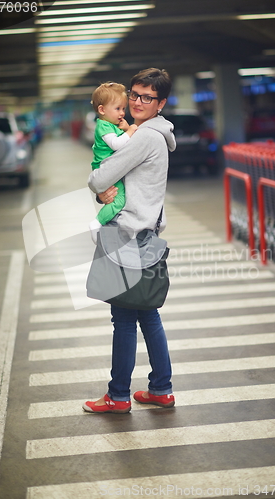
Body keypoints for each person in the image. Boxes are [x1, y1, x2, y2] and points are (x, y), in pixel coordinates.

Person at [83, 68, 176, 413]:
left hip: (127, 236)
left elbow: (100, 177)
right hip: (145, 232)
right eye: (134, 95)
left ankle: (118, 396)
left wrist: (98, 186)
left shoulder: (144, 137)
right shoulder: (154, 134)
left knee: (123, 319)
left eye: (147, 97)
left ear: (161, 103)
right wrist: (106, 193)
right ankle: (161, 389)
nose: (137, 102)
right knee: (148, 316)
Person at [89, 82, 138, 243]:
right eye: (118, 109)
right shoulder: (104, 126)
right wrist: (130, 130)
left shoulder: (109, 125)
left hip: (109, 168)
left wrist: (124, 129)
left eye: (123, 109)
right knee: (119, 201)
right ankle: (97, 223)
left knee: (116, 199)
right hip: (107, 169)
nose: (122, 113)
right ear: (102, 110)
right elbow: (117, 145)